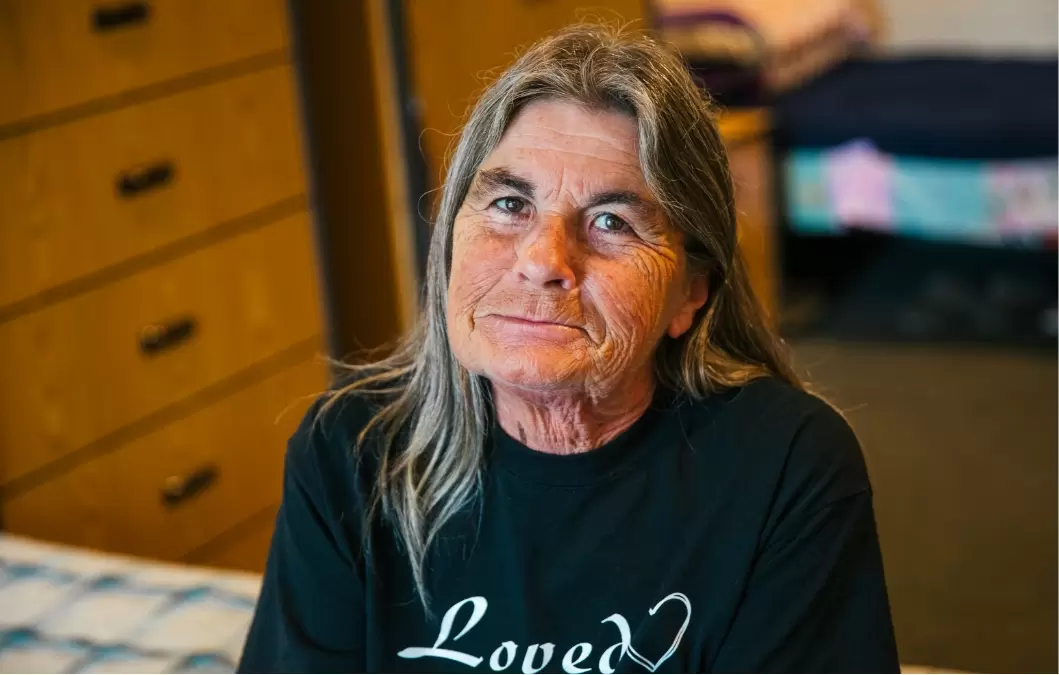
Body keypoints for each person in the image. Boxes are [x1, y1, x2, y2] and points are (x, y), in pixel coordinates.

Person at [238, 24, 899, 674]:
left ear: (690, 292)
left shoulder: (784, 465)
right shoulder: (351, 450)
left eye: (611, 221)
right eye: (507, 203)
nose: (542, 260)